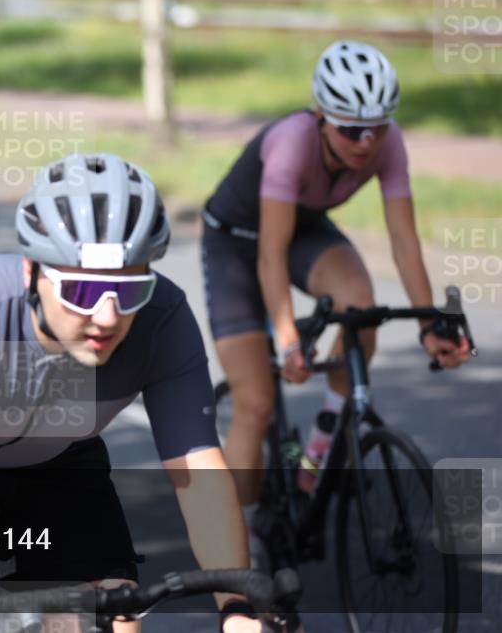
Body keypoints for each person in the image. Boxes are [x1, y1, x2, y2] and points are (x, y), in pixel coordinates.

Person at [0, 153, 263, 633]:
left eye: (130, 290)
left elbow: (200, 477)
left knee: (115, 618)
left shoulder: (163, 321)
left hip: (54, 455)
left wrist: (237, 610)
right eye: (82, 291)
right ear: (32, 273)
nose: (107, 317)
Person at [200, 40, 472, 552]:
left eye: (377, 128)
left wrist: (429, 325)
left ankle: (316, 456)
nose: (365, 143)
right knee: (255, 403)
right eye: (350, 129)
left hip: (303, 230)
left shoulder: (388, 143)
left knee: (360, 307)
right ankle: (239, 547)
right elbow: (269, 255)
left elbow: (403, 239)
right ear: (321, 115)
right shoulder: (291, 143)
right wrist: (288, 340)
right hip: (236, 243)